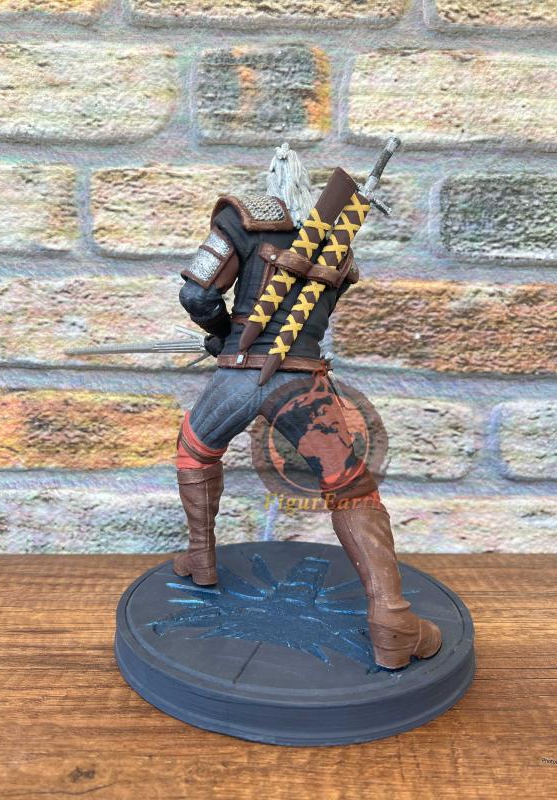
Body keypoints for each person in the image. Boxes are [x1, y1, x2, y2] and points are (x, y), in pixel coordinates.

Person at [173, 143, 441, 670]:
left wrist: (224, 336)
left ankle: (201, 557)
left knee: (194, 450)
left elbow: (197, 297)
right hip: (302, 384)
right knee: (351, 488)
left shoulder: (240, 218)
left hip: (237, 374)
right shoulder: (339, 246)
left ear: (272, 182)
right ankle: (393, 620)